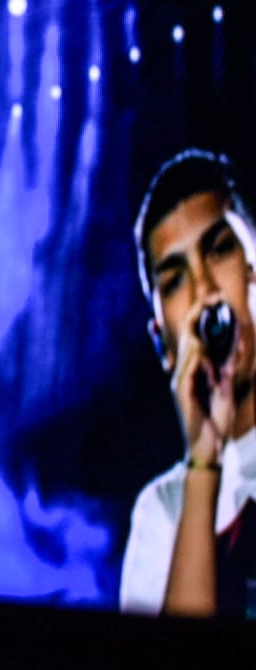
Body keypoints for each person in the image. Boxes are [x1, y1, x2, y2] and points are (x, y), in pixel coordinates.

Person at [119, 148, 255, 618]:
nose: (205, 294)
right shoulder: (162, 511)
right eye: (176, 281)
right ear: (164, 344)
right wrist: (203, 463)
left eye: (220, 249)